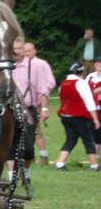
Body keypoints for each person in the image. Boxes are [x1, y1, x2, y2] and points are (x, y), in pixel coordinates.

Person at [12, 39, 56, 168]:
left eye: (26, 50)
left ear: (34, 51)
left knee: (35, 133)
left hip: (31, 105)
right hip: (13, 108)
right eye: (23, 50)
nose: (24, 52)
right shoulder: (10, 64)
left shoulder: (40, 64)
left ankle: (42, 156)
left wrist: (43, 105)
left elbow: (49, 83)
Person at [53, 62, 99, 171]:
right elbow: (90, 103)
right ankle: (94, 165)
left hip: (65, 115)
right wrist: (95, 119)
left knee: (71, 139)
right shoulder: (81, 83)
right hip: (79, 116)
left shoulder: (63, 84)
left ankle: (60, 164)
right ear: (80, 73)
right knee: (88, 139)